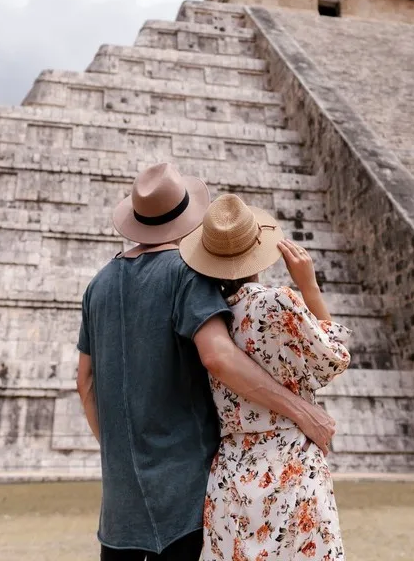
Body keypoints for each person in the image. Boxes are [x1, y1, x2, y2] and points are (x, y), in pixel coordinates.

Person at [75, 163, 337, 560]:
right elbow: (217, 355)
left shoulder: (99, 284)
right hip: (186, 494)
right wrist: (301, 410)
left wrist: (125, 457)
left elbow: (85, 383)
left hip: (120, 503)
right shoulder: (186, 272)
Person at [179, 193, 351, 560]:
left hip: (232, 467)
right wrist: (310, 287)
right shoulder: (278, 304)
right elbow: (334, 358)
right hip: (290, 459)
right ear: (259, 248)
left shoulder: (210, 318)